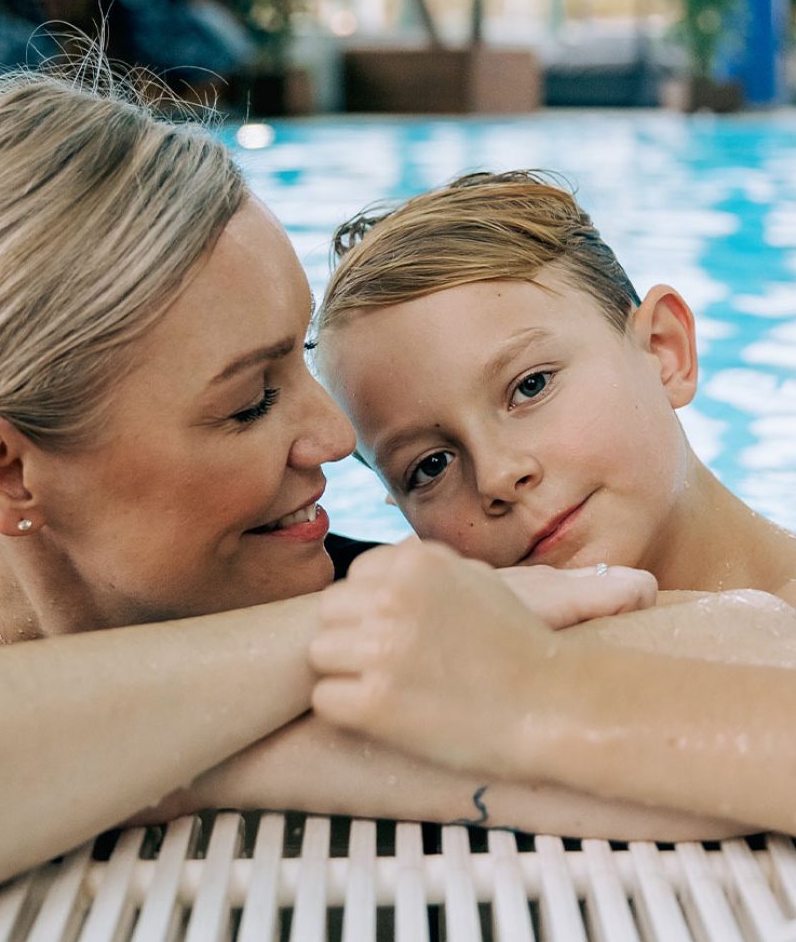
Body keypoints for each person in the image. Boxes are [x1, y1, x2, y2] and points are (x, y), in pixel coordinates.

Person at [0, 80, 750, 942]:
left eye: (301, 365)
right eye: (251, 400)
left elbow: (757, 655)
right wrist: (317, 648)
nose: (338, 441)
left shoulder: (415, 603)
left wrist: (180, 760)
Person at [305, 170, 796, 834]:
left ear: (665, 352)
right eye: (430, 465)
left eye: (530, 385)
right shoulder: (431, 647)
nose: (499, 477)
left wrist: (530, 685)